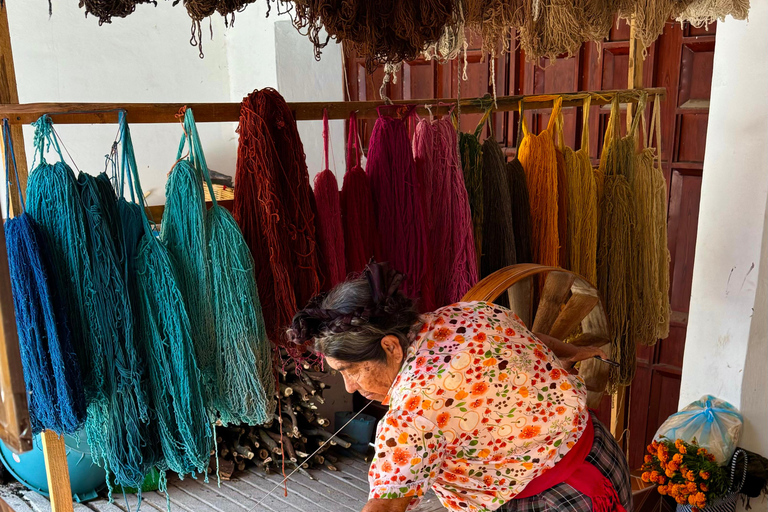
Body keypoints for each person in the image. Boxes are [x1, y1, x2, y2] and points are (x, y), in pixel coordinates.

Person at [288, 263, 631, 512]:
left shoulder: (411, 415)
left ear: (390, 347)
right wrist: (573, 351)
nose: (351, 386)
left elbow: (385, 508)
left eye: (351, 370)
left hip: (559, 503)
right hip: (603, 459)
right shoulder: (470, 314)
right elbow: (529, 339)